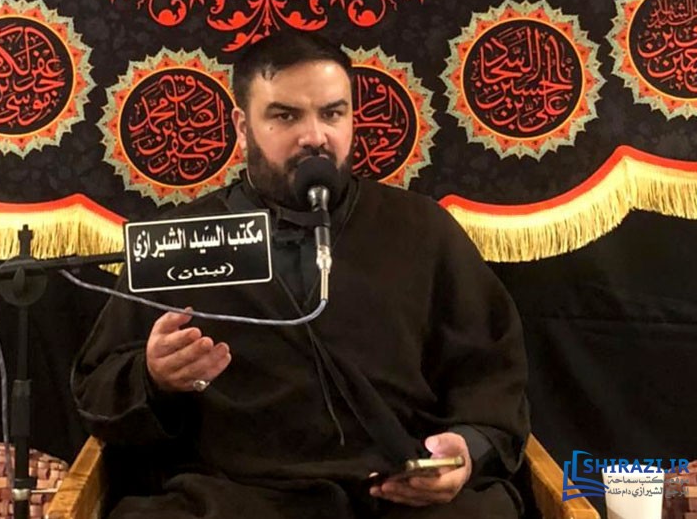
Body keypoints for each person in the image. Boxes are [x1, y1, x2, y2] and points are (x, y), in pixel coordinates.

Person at [72, 31, 530, 519]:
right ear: (242, 127)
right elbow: (98, 386)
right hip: (237, 497)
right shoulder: (180, 242)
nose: (315, 136)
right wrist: (154, 377)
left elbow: (490, 373)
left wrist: (464, 450)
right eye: (285, 116)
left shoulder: (422, 229)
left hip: (395, 493)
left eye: (332, 113)